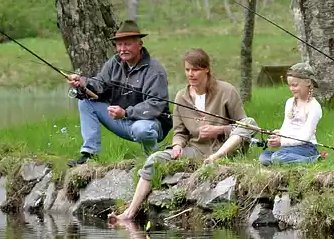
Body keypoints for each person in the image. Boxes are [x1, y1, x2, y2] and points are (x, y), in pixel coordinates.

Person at [109, 48, 258, 222]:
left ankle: (216, 158)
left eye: (195, 70)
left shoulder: (226, 91)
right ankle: (129, 213)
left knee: (250, 122)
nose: (191, 74)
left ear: (207, 69)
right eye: (187, 70)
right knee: (155, 158)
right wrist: (178, 145)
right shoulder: (181, 96)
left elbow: (242, 123)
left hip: (226, 149)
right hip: (196, 150)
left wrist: (218, 130)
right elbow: (179, 132)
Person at [65, 20, 172, 167]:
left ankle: (154, 160)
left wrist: (126, 113)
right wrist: (83, 83)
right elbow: (100, 84)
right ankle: (90, 154)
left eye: (127, 44)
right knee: (85, 102)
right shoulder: (114, 63)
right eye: (119, 45)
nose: (122, 49)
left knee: (141, 129)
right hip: (122, 119)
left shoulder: (154, 70)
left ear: (139, 45)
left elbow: (155, 105)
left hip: (151, 124)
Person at [258, 62, 324, 167]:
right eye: (290, 85)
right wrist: (278, 134)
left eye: (295, 85)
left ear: (307, 82)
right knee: (264, 157)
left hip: (306, 147)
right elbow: (287, 126)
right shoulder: (289, 102)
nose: (291, 89)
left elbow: (305, 137)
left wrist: (282, 141)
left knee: (277, 157)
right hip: (287, 149)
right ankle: (301, 161)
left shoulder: (314, 106)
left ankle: (314, 159)